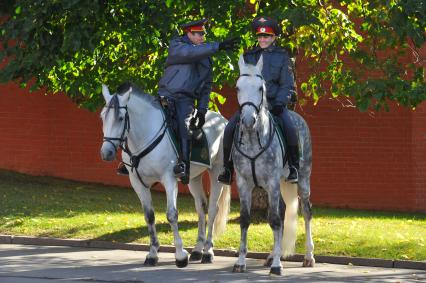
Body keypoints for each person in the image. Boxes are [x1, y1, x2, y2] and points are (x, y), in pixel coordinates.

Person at [114, 18, 236, 185]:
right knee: (138, 119)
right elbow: (190, 53)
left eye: (203, 34)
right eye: (198, 34)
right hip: (165, 96)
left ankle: (183, 166)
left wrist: (201, 110)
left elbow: (206, 85)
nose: (202, 37)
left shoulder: (205, 56)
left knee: (183, 126)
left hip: (185, 100)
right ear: (188, 33)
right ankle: (129, 160)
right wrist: (218, 46)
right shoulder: (177, 45)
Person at [217, 16, 299, 185]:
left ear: (274, 37)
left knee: (290, 127)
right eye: (260, 36)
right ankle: (227, 168)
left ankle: (293, 167)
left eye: (266, 36)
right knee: (230, 128)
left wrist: (280, 102)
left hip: (275, 104)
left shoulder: (282, 56)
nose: (263, 39)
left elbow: (288, 84)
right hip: (251, 105)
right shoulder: (249, 56)